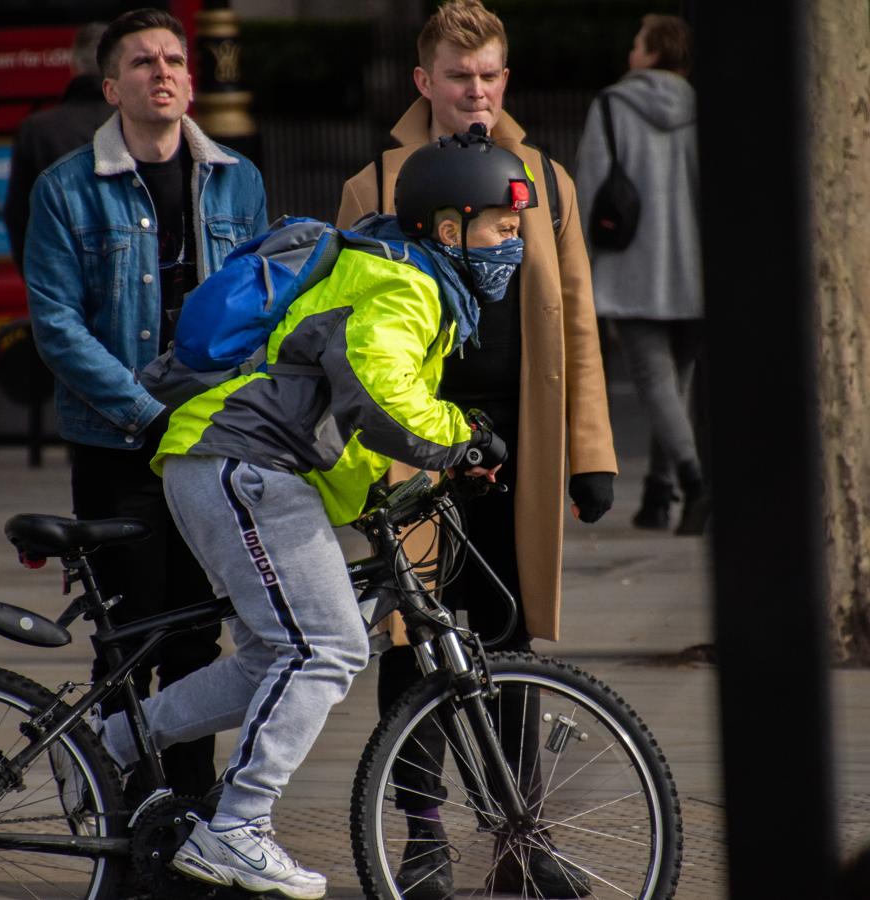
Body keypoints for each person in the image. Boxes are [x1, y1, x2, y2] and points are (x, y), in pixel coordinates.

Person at [78, 130, 536, 899]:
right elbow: (380, 395)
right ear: (451, 229)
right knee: (326, 647)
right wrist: (464, 437)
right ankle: (238, 828)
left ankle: (109, 741)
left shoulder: (397, 274)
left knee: (277, 656)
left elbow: (339, 409)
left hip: (230, 462)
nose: (513, 247)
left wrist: (388, 497)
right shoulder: (406, 286)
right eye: (503, 228)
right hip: (243, 464)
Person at [336, 2, 617, 896]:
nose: (479, 94)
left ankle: (519, 840)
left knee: (511, 649)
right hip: (412, 452)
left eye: (491, 76)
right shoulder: (374, 185)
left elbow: (575, 326)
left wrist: (589, 454)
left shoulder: (547, 180)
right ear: (425, 83)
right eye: (461, 79)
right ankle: (421, 835)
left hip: (517, 453)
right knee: (411, 646)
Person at [24, 7, 267, 802]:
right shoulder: (65, 189)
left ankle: (193, 814)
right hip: (115, 445)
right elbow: (56, 325)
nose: (160, 72)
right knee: (128, 637)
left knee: (200, 636)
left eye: (172, 60)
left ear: (190, 81)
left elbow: (265, 305)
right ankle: (119, 810)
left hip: (208, 446)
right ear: (109, 86)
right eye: (141, 63)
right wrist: (145, 411)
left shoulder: (238, 178)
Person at [574, 14, 709, 534]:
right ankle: (659, 496)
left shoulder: (612, 105)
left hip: (634, 272)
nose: (631, 51)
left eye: (637, 43)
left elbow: (589, 191)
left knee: (656, 382)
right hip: (697, 272)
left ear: (653, 53)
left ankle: (696, 484)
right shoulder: (704, 105)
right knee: (675, 384)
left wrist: (581, 272)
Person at [3, 21, 113, 273]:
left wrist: (43, 283)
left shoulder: (36, 130)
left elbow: (20, 220)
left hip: (65, 279)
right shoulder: (138, 123)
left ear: (73, 66)